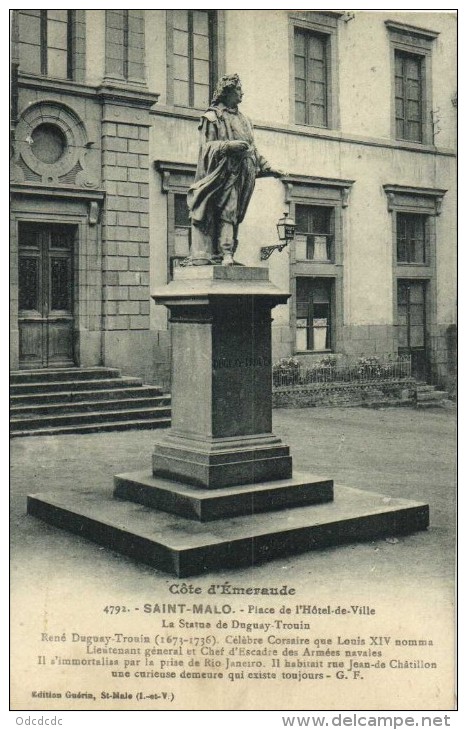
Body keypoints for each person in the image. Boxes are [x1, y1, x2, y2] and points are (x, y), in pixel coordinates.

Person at [187, 73, 284, 266]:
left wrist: (270, 168)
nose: (242, 93)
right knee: (228, 212)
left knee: (236, 215)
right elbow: (205, 147)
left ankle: (227, 253)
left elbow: (252, 150)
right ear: (227, 92)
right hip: (225, 173)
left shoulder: (245, 120)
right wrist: (227, 146)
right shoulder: (212, 117)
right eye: (239, 89)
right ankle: (226, 254)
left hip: (245, 174)